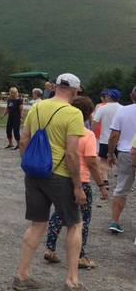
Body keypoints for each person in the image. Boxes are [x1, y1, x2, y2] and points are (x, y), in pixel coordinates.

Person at [13, 73, 99, 291]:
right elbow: (71, 153)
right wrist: (78, 186)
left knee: (37, 223)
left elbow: (23, 141)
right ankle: (72, 282)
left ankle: (22, 275)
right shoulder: (73, 113)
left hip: (34, 174)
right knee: (75, 224)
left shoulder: (37, 107)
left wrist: (29, 165)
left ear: (56, 86)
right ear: (73, 90)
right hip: (59, 176)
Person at [44, 96, 108, 269]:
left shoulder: (63, 131)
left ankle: (50, 248)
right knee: (83, 220)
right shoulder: (88, 135)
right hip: (82, 181)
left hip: (62, 177)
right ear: (89, 115)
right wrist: (102, 185)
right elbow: (92, 163)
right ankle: (80, 256)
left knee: (59, 213)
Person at [106, 86, 136, 234]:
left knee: (122, 187)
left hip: (125, 152)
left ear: (131, 96)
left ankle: (115, 221)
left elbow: (113, 136)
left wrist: (110, 154)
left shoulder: (123, 111)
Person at [92, 89, 121, 188]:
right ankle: (123, 179)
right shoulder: (122, 108)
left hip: (104, 139)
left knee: (103, 160)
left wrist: (91, 132)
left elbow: (95, 122)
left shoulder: (102, 108)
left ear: (109, 97)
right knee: (120, 160)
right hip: (119, 140)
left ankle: (105, 180)